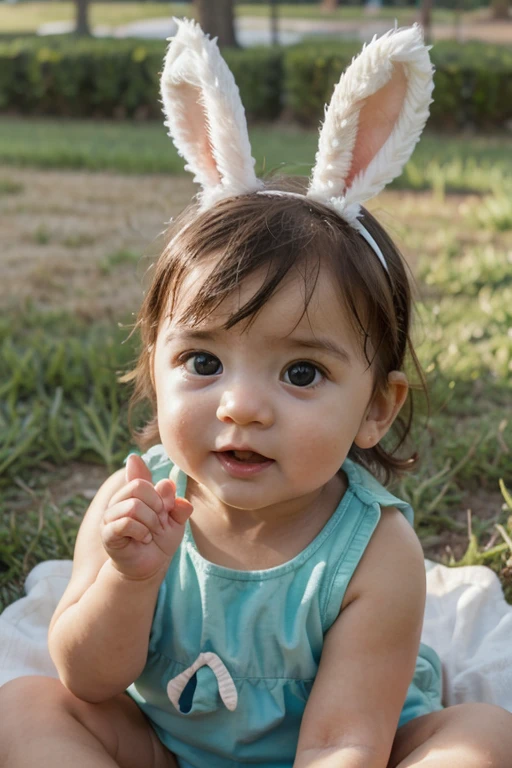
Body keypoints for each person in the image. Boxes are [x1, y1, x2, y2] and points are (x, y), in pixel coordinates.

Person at [1, 18, 512, 768]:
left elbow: (345, 738)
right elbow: (89, 676)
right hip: (170, 747)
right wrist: (126, 577)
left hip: (353, 750)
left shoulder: (376, 553)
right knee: (27, 705)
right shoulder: (134, 507)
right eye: (203, 362)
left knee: (480, 738)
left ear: (376, 408)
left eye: (301, 373)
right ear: (155, 366)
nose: (241, 405)